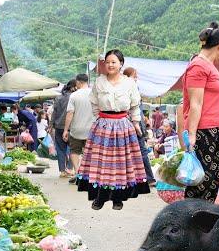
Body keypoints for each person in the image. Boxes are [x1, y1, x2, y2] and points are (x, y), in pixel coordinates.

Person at [76, 51, 149, 210]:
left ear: (121, 64)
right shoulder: (99, 82)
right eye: (108, 62)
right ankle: (99, 198)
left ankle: (118, 198)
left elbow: (135, 105)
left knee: (119, 165)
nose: (110, 65)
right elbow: (94, 103)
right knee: (101, 164)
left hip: (123, 126)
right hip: (102, 127)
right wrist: (100, 120)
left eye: (114, 62)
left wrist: (136, 123)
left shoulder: (129, 83)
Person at [181, 21, 219, 202]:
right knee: (201, 182)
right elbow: (195, 104)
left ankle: (202, 225)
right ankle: (191, 224)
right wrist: (192, 135)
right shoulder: (198, 66)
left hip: (215, 130)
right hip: (204, 131)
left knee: (210, 181)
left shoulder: (209, 67)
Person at [123, 67, 156, 185]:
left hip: (132, 125)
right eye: (134, 76)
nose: (136, 78)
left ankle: (141, 178)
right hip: (134, 126)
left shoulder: (127, 88)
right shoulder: (131, 88)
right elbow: (134, 110)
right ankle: (148, 178)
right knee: (141, 152)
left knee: (133, 152)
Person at [63, 74, 94, 184]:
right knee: (89, 152)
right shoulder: (94, 94)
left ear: (79, 82)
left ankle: (78, 172)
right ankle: (88, 174)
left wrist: (66, 130)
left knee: (74, 151)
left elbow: (70, 113)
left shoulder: (74, 96)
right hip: (92, 130)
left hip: (76, 129)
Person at [51, 79, 76, 178]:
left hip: (58, 127)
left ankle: (62, 171)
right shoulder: (74, 97)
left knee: (61, 150)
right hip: (71, 127)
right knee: (74, 149)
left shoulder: (58, 98)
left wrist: (50, 125)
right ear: (73, 87)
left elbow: (54, 113)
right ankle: (69, 168)